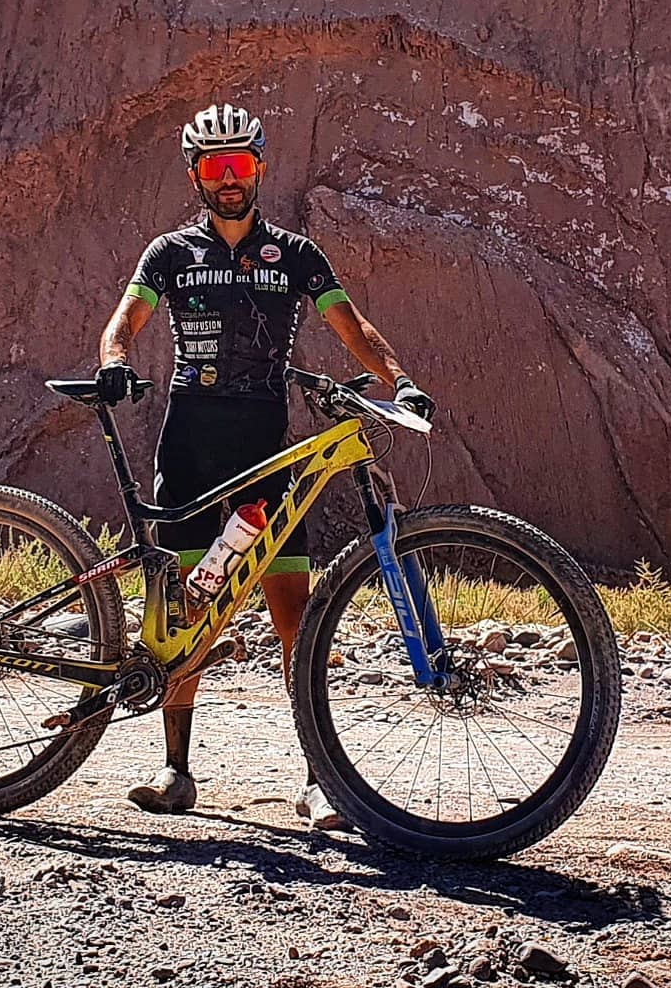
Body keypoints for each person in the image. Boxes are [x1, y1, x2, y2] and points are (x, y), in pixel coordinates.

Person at [95, 103, 435, 828]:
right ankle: (176, 770)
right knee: (187, 608)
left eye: (239, 165)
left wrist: (397, 379)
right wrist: (115, 361)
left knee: (292, 615)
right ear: (195, 174)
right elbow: (125, 320)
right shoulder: (169, 254)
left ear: (258, 167)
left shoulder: (299, 256)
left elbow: (354, 327)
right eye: (213, 168)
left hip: (265, 444)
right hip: (188, 442)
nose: (227, 180)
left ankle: (317, 782)